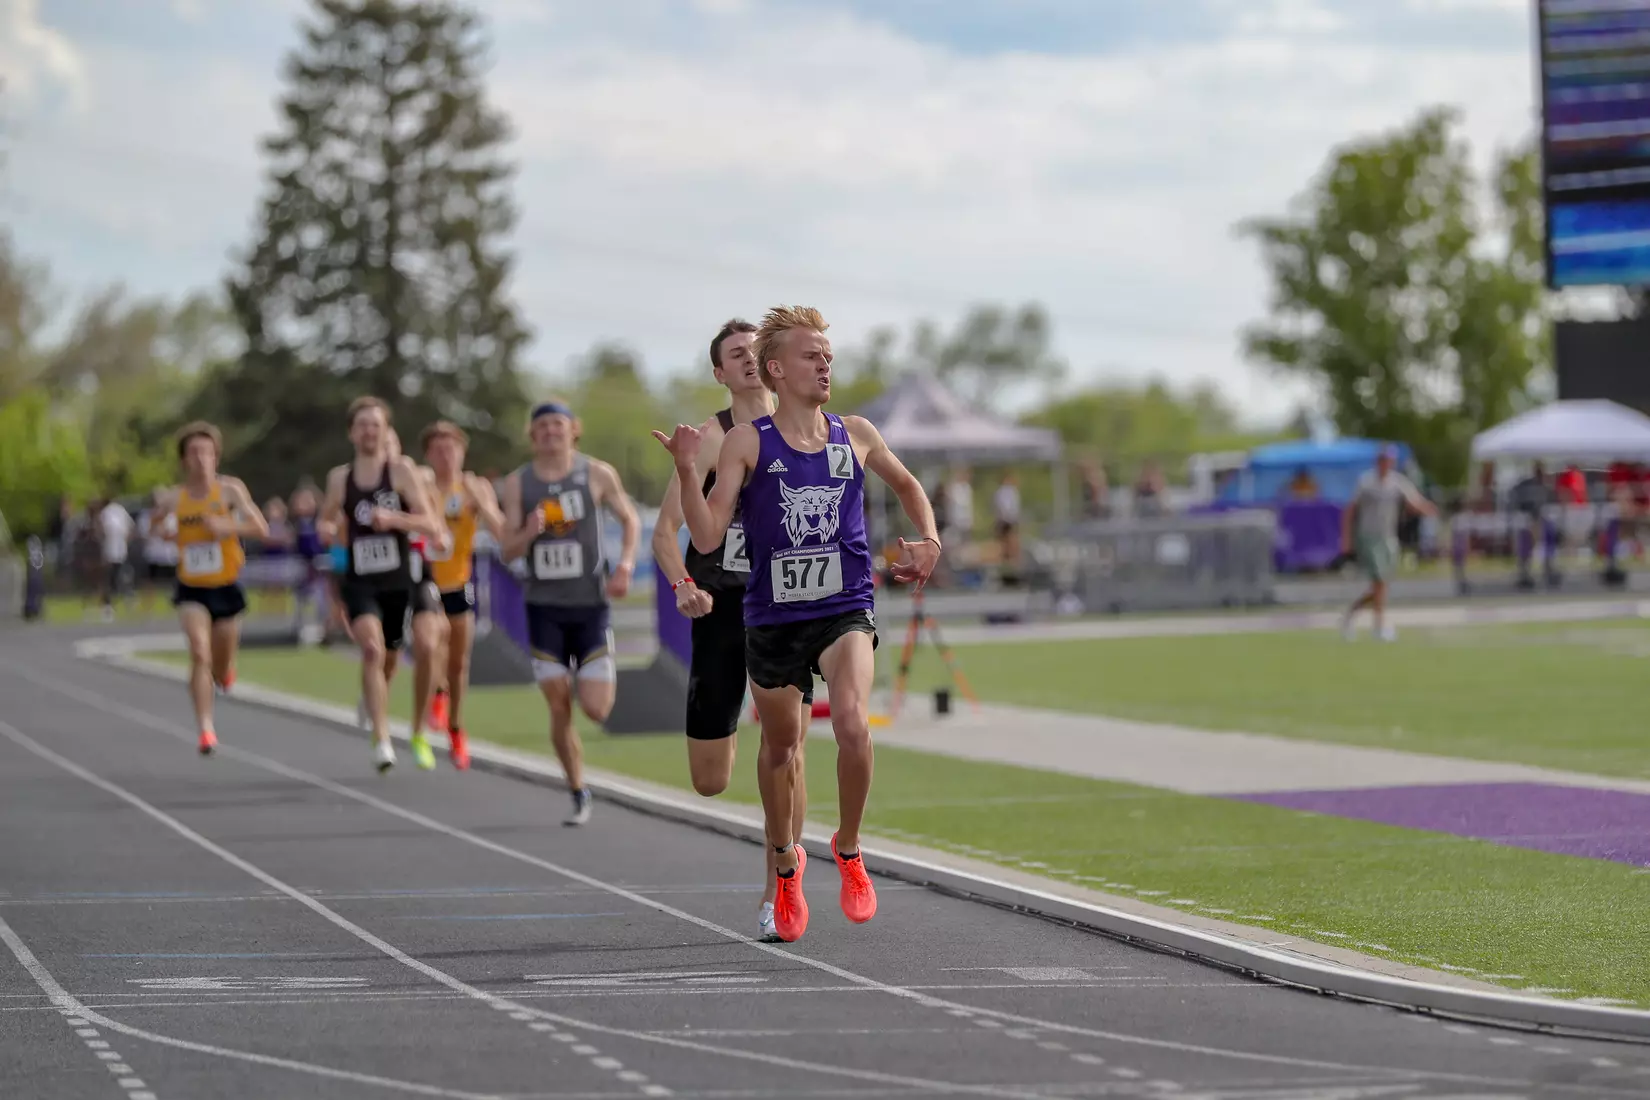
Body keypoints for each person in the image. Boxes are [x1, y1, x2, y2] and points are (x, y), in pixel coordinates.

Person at [655, 305, 940, 944]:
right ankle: (786, 862)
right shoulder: (745, 443)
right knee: (780, 749)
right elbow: (703, 531)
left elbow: (908, 484)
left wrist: (928, 539)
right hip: (772, 618)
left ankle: (849, 848)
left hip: (844, 611)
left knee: (850, 723)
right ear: (777, 369)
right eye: (812, 355)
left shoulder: (857, 432)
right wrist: (683, 469)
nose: (825, 364)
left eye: (828, 355)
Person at [651, 318, 812, 940]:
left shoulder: (803, 428)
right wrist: (683, 585)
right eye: (735, 355)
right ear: (719, 372)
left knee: (787, 750)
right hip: (720, 608)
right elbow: (668, 534)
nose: (748, 361)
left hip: (783, 609)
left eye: (755, 351)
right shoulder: (712, 441)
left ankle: (781, 887)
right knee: (711, 780)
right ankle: (751, 734)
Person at [500, 399, 641, 827]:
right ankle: (578, 788)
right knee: (558, 705)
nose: (549, 432)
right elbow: (508, 549)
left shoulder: (596, 473)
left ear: (572, 430)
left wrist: (625, 566)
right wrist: (529, 530)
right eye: (541, 426)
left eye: (556, 425)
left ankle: (584, 673)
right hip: (544, 608)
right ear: (532, 435)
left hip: (590, 606)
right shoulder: (517, 483)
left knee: (596, 709)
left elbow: (630, 520)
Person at [321, 397, 449, 772]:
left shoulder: (403, 472)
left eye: (375, 425)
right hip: (361, 581)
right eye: (362, 425)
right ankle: (382, 738)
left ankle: (415, 727)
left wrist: (394, 519)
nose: (369, 432)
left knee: (397, 656)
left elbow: (429, 523)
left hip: (400, 581)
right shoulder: (339, 478)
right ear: (351, 432)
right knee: (373, 652)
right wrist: (327, 529)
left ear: (386, 430)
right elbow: (326, 519)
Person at [148, 422, 270, 754]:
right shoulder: (177, 497)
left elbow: (260, 527)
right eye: (194, 453)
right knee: (199, 652)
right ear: (185, 460)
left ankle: (225, 671)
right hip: (192, 588)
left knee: (219, 663)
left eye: (207, 452)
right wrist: (164, 530)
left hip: (226, 586)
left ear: (216, 457)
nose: (201, 459)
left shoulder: (230, 491)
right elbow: (154, 525)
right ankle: (205, 729)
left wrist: (226, 525)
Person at [419, 420, 505, 771]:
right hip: (426, 581)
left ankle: (456, 726)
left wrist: (481, 502)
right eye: (438, 449)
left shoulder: (473, 486)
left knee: (459, 661)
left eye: (451, 448)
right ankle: (436, 693)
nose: (445, 455)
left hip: (460, 581)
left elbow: (500, 530)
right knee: (434, 639)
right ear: (428, 454)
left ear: (462, 452)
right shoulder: (422, 485)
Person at [1340, 445, 1436, 642]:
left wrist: (1429, 510)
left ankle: (1352, 614)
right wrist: (1347, 540)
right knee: (1380, 582)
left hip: (1388, 538)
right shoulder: (1366, 482)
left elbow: (1414, 502)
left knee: (1381, 587)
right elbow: (1350, 511)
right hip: (1369, 536)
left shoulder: (1397, 482)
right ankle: (1379, 626)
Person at [97, 495, 135, 621]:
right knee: (115, 576)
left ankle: (115, 601)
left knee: (113, 576)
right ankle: (112, 603)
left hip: (114, 548)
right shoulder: (117, 510)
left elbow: (101, 529)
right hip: (117, 548)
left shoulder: (109, 512)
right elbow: (129, 527)